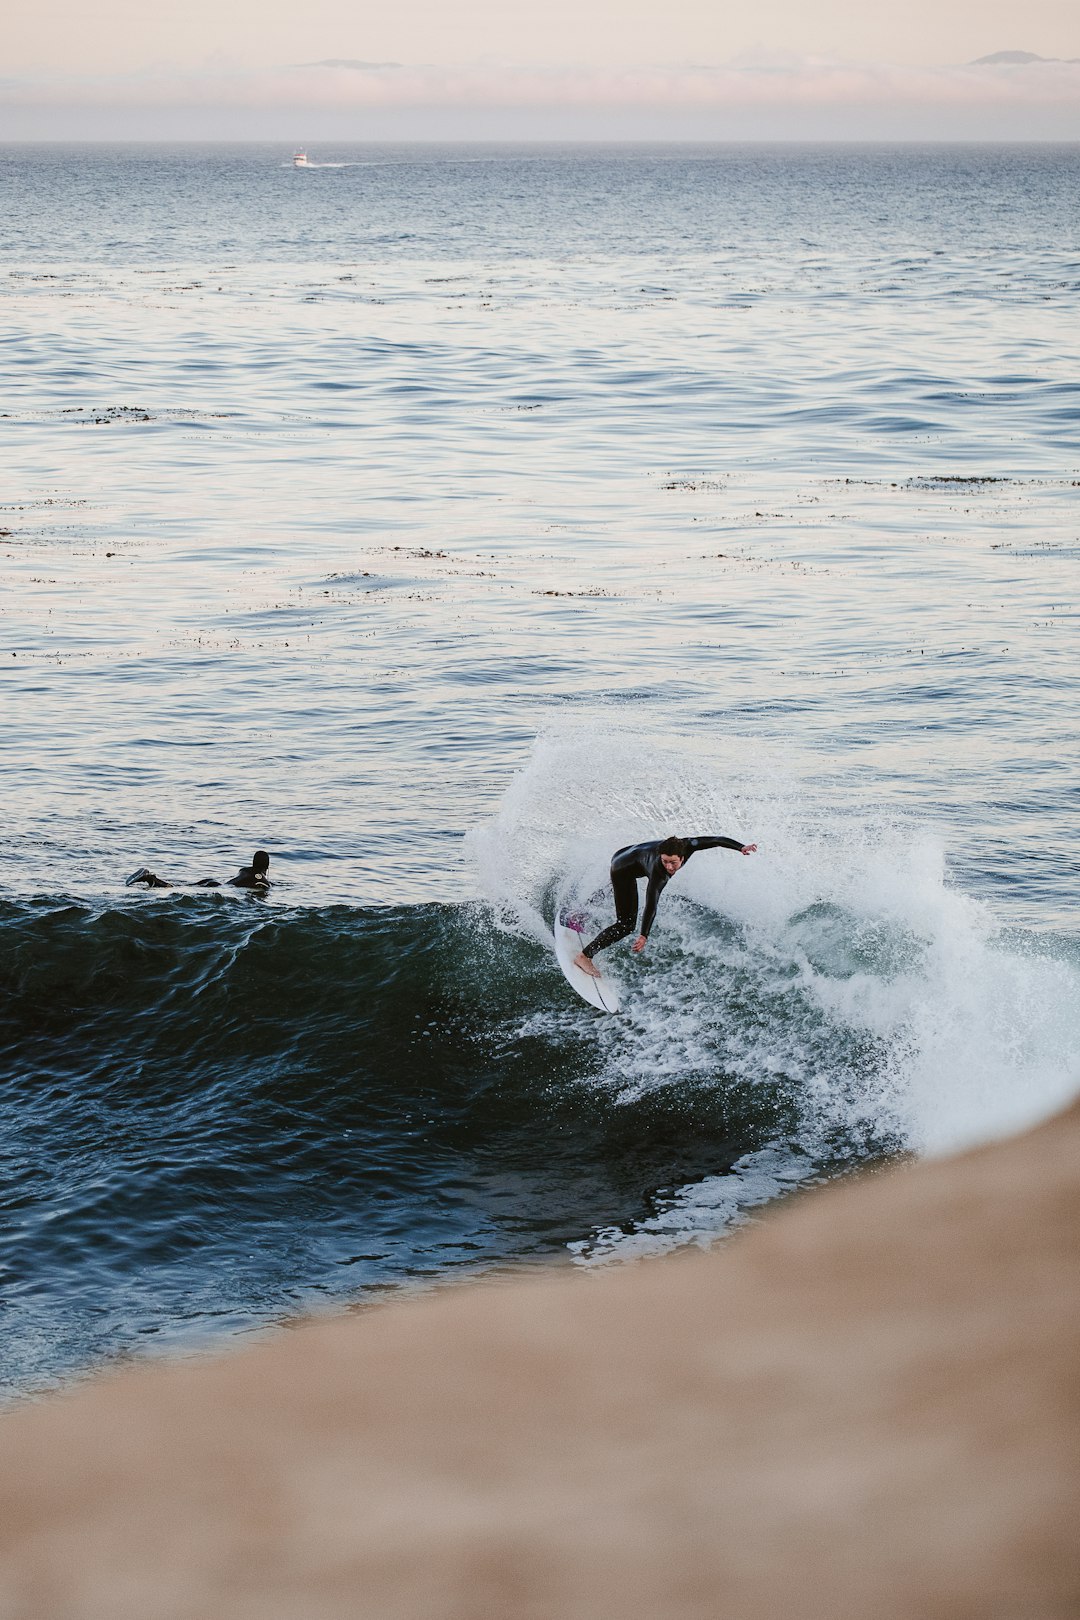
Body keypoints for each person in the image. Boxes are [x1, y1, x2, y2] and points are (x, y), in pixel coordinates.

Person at [573, 835, 756, 978]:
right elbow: (651, 904)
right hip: (622, 869)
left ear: (682, 857)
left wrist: (740, 847)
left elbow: (716, 840)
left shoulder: (688, 844)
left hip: (625, 854)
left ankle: (584, 910)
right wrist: (644, 934)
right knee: (626, 925)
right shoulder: (658, 872)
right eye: (665, 861)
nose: (669, 866)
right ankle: (585, 956)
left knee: (622, 890)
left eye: (673, 862)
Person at [125, 850, 272, 891]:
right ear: (267, 866)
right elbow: (264, 886)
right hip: (219, 888)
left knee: (180, 887)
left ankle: (151, 878)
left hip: (214, 882)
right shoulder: (262, 881)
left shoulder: (245, 871)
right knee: (175, 889)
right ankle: (151, 879)